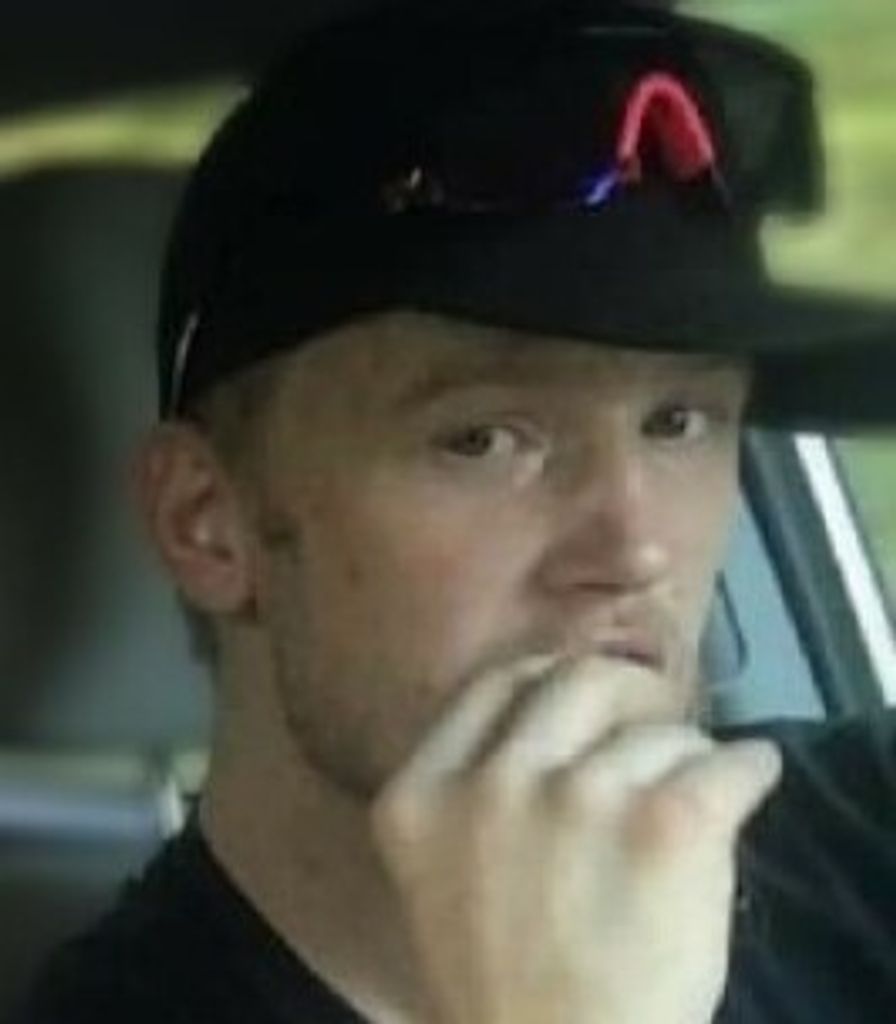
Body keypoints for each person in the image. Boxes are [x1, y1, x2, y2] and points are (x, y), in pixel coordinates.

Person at [15, 1, 896, 1021]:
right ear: (206, 522)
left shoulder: (864, 836)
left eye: (678, 421)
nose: (637, 547)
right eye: (483, 439)